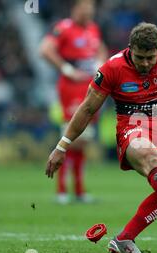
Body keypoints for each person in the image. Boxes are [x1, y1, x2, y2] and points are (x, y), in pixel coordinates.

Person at [45, 22, 157, 253]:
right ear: (130, 49)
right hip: (132, 127)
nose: (145, 63)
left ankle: (124, 240)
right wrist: (62, 146)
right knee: (150, 158)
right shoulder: (112, 68)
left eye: (151, 58)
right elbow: (87, 109)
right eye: (140, 57)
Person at [39, 0, 108, 204]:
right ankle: (62, 190)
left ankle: (78, 191)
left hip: (90, 87)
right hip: (71, 87)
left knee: (83, 140)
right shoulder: (64, 27)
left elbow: (101, 50)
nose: (88, 12)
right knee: (72, 137)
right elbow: (45, 49)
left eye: (91, 8)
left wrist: (100, 64)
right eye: (85, 8)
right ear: (75, 9)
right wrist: (67, 69)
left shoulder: (93, 29)